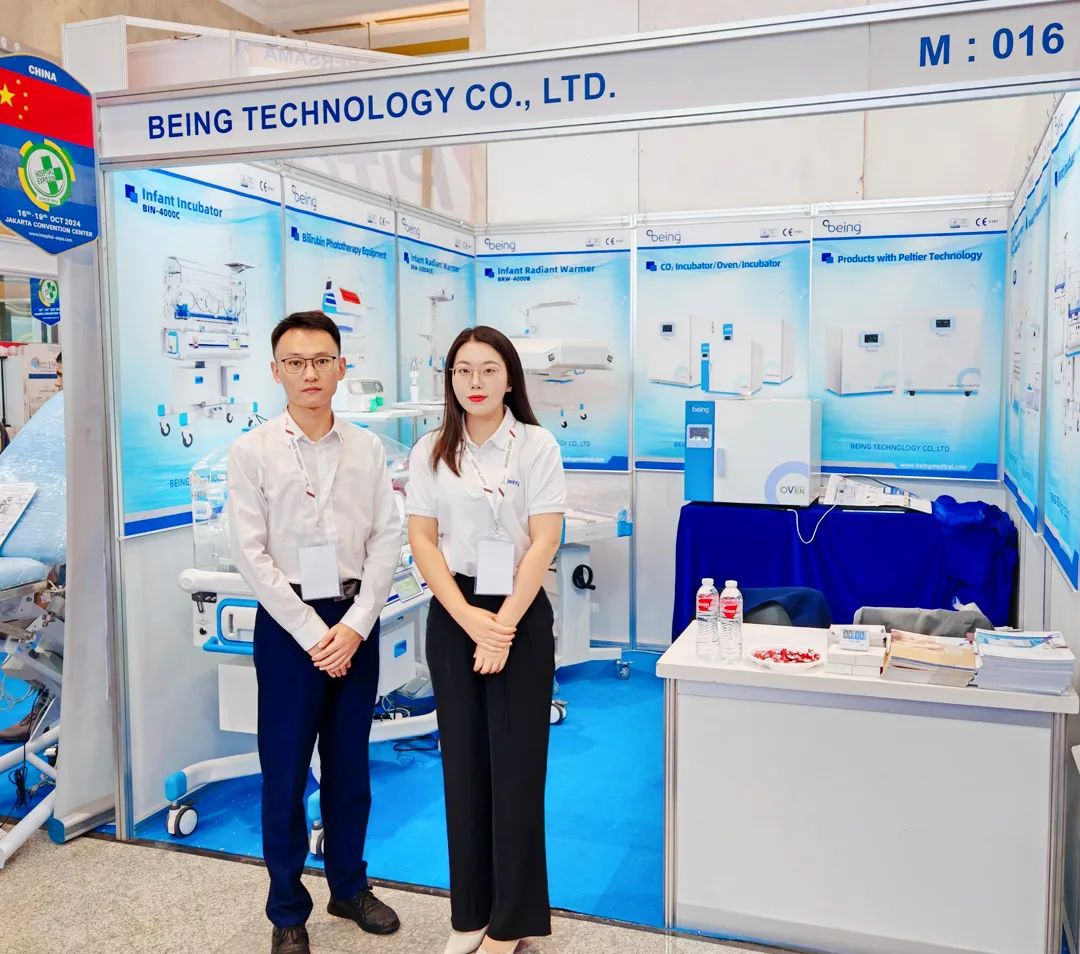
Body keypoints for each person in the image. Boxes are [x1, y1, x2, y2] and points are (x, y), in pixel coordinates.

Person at [226, 311, 403, 954]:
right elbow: (249, 553)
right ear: (276, 370)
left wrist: (355, 626)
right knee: (285, 771)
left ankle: (349, 887)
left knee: (350, 766)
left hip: (355, 621)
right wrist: (309, 631)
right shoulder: (252, 451)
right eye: (296, 362)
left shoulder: (367, 448)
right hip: (287, 626)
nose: (310, 373)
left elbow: (388, 537)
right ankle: (286, 910)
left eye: (322, 360)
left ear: (341, 368)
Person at [406, 325, 567, 954]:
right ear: (450, 379)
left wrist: (501, 628)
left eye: (489, 370)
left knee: (518, 770)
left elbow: (545, 539)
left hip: (519, 611)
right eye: (463, 371)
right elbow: (423, 540)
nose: (475, 382)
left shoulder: (535, 445)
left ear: (509, 378)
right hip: (454, 611)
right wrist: (468, 617)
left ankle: (511, 923)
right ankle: (469, 915)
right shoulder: (430, 450)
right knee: (463, 768)